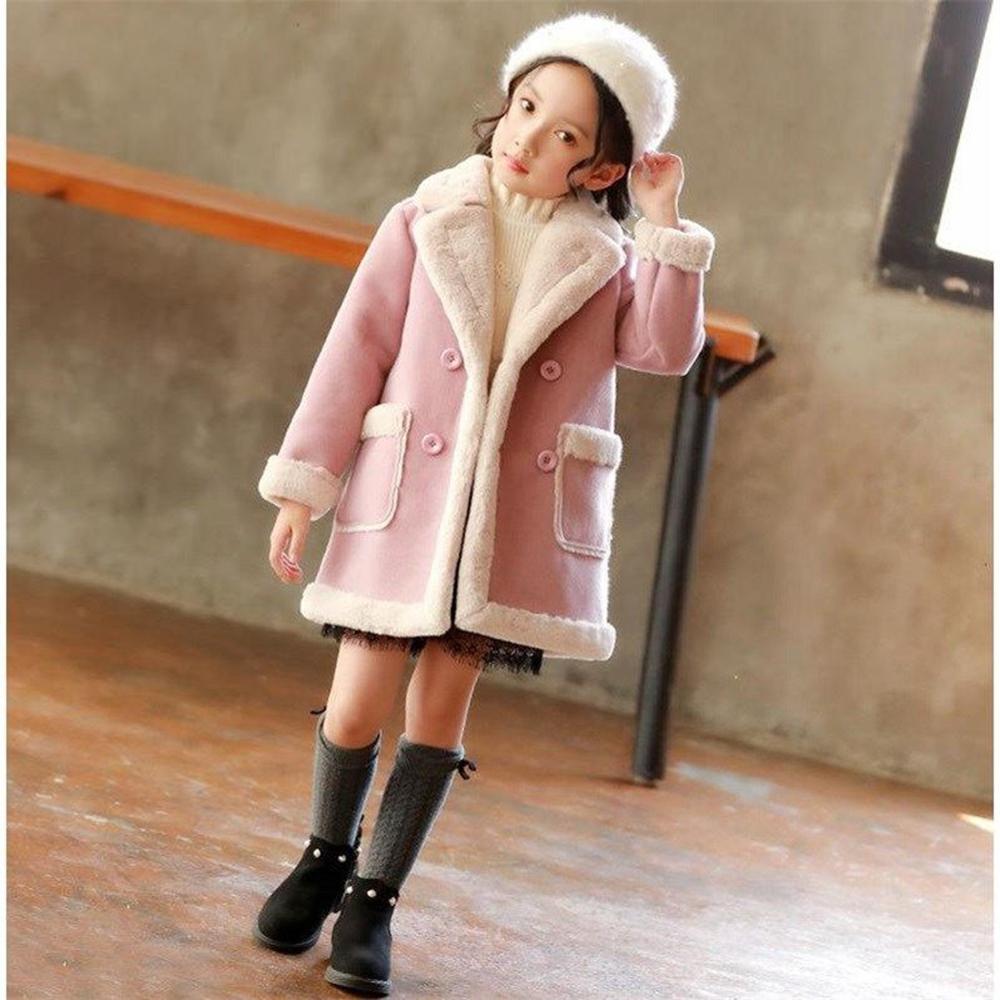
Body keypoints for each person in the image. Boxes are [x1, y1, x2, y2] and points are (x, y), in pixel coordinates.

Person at [252, 11, 715, 996]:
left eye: (564, 132)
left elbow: (664, 350)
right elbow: (354, 352)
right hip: (405, 504)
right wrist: (303, 489)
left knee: (437, 715)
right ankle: (325, 857)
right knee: (355, 704)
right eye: (526, 106)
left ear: (600, 167)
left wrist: (665, 227)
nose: (528, 136)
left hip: (504, 529)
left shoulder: (607, 255)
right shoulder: (424, 218)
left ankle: (374, 899)